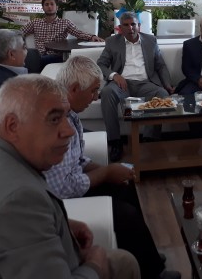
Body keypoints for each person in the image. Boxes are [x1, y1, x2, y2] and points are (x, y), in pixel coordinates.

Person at [0, 74, 140, 279]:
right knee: (122, 262)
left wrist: (60, 224)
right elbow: (15, 211)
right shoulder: (17, 201)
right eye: (54, 119)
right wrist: (96, 266)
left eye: (65, 117)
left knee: (124, 261)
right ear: (12, 126)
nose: (69, 131)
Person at [45, 56, 179, 279]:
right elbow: (64, 188)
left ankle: (145, 256)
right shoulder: (57, 123)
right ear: (75, 88)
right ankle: (152, 273)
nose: (96, 97)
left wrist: (111, 169)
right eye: (93, 91)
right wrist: (106, 172)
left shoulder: (71, 114)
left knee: (126, 186)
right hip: (59, 200)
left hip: (71, 183)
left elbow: (77, 160)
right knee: (125, 214)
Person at [97, 11, 173, 162]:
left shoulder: (151, 40)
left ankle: (149, 140)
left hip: (146, 83)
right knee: (107, 92)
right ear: (120, 28)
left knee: (163, 95)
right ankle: (115, 142)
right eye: (126, 25)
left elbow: (160, 65)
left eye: (133, 24)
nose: (130, 28)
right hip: (122, 84)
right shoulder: (112, 42)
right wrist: (114, 75)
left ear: (139, 26)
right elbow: (101, 63)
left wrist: (168, 85)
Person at [21, 0, 103, 69]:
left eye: (52, 4)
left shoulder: (65, 23)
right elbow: (21, 32)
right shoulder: (35, 22)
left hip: (56, 56)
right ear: (43, 8)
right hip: (38, 54)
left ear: (57, 7)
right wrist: (20, 45)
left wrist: (92, 36)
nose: (49, 7)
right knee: (27, 56)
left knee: (31, 61)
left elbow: (78, 33)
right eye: (46, 4)